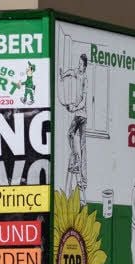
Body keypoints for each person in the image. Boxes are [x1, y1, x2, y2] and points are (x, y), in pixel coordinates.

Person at [59, 54, 88, 198]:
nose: (79, 66)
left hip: (82, 115)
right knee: (71, 135)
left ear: (85, 66)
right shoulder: (77, 72)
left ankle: (82, 178)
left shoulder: (85, 79)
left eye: (81, 65)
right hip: (78, 114)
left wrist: (74, 108)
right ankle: (75, 158)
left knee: (80, 145)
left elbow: (84, 101)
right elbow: (71, 71)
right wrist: (63, 74)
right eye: (79, 64)